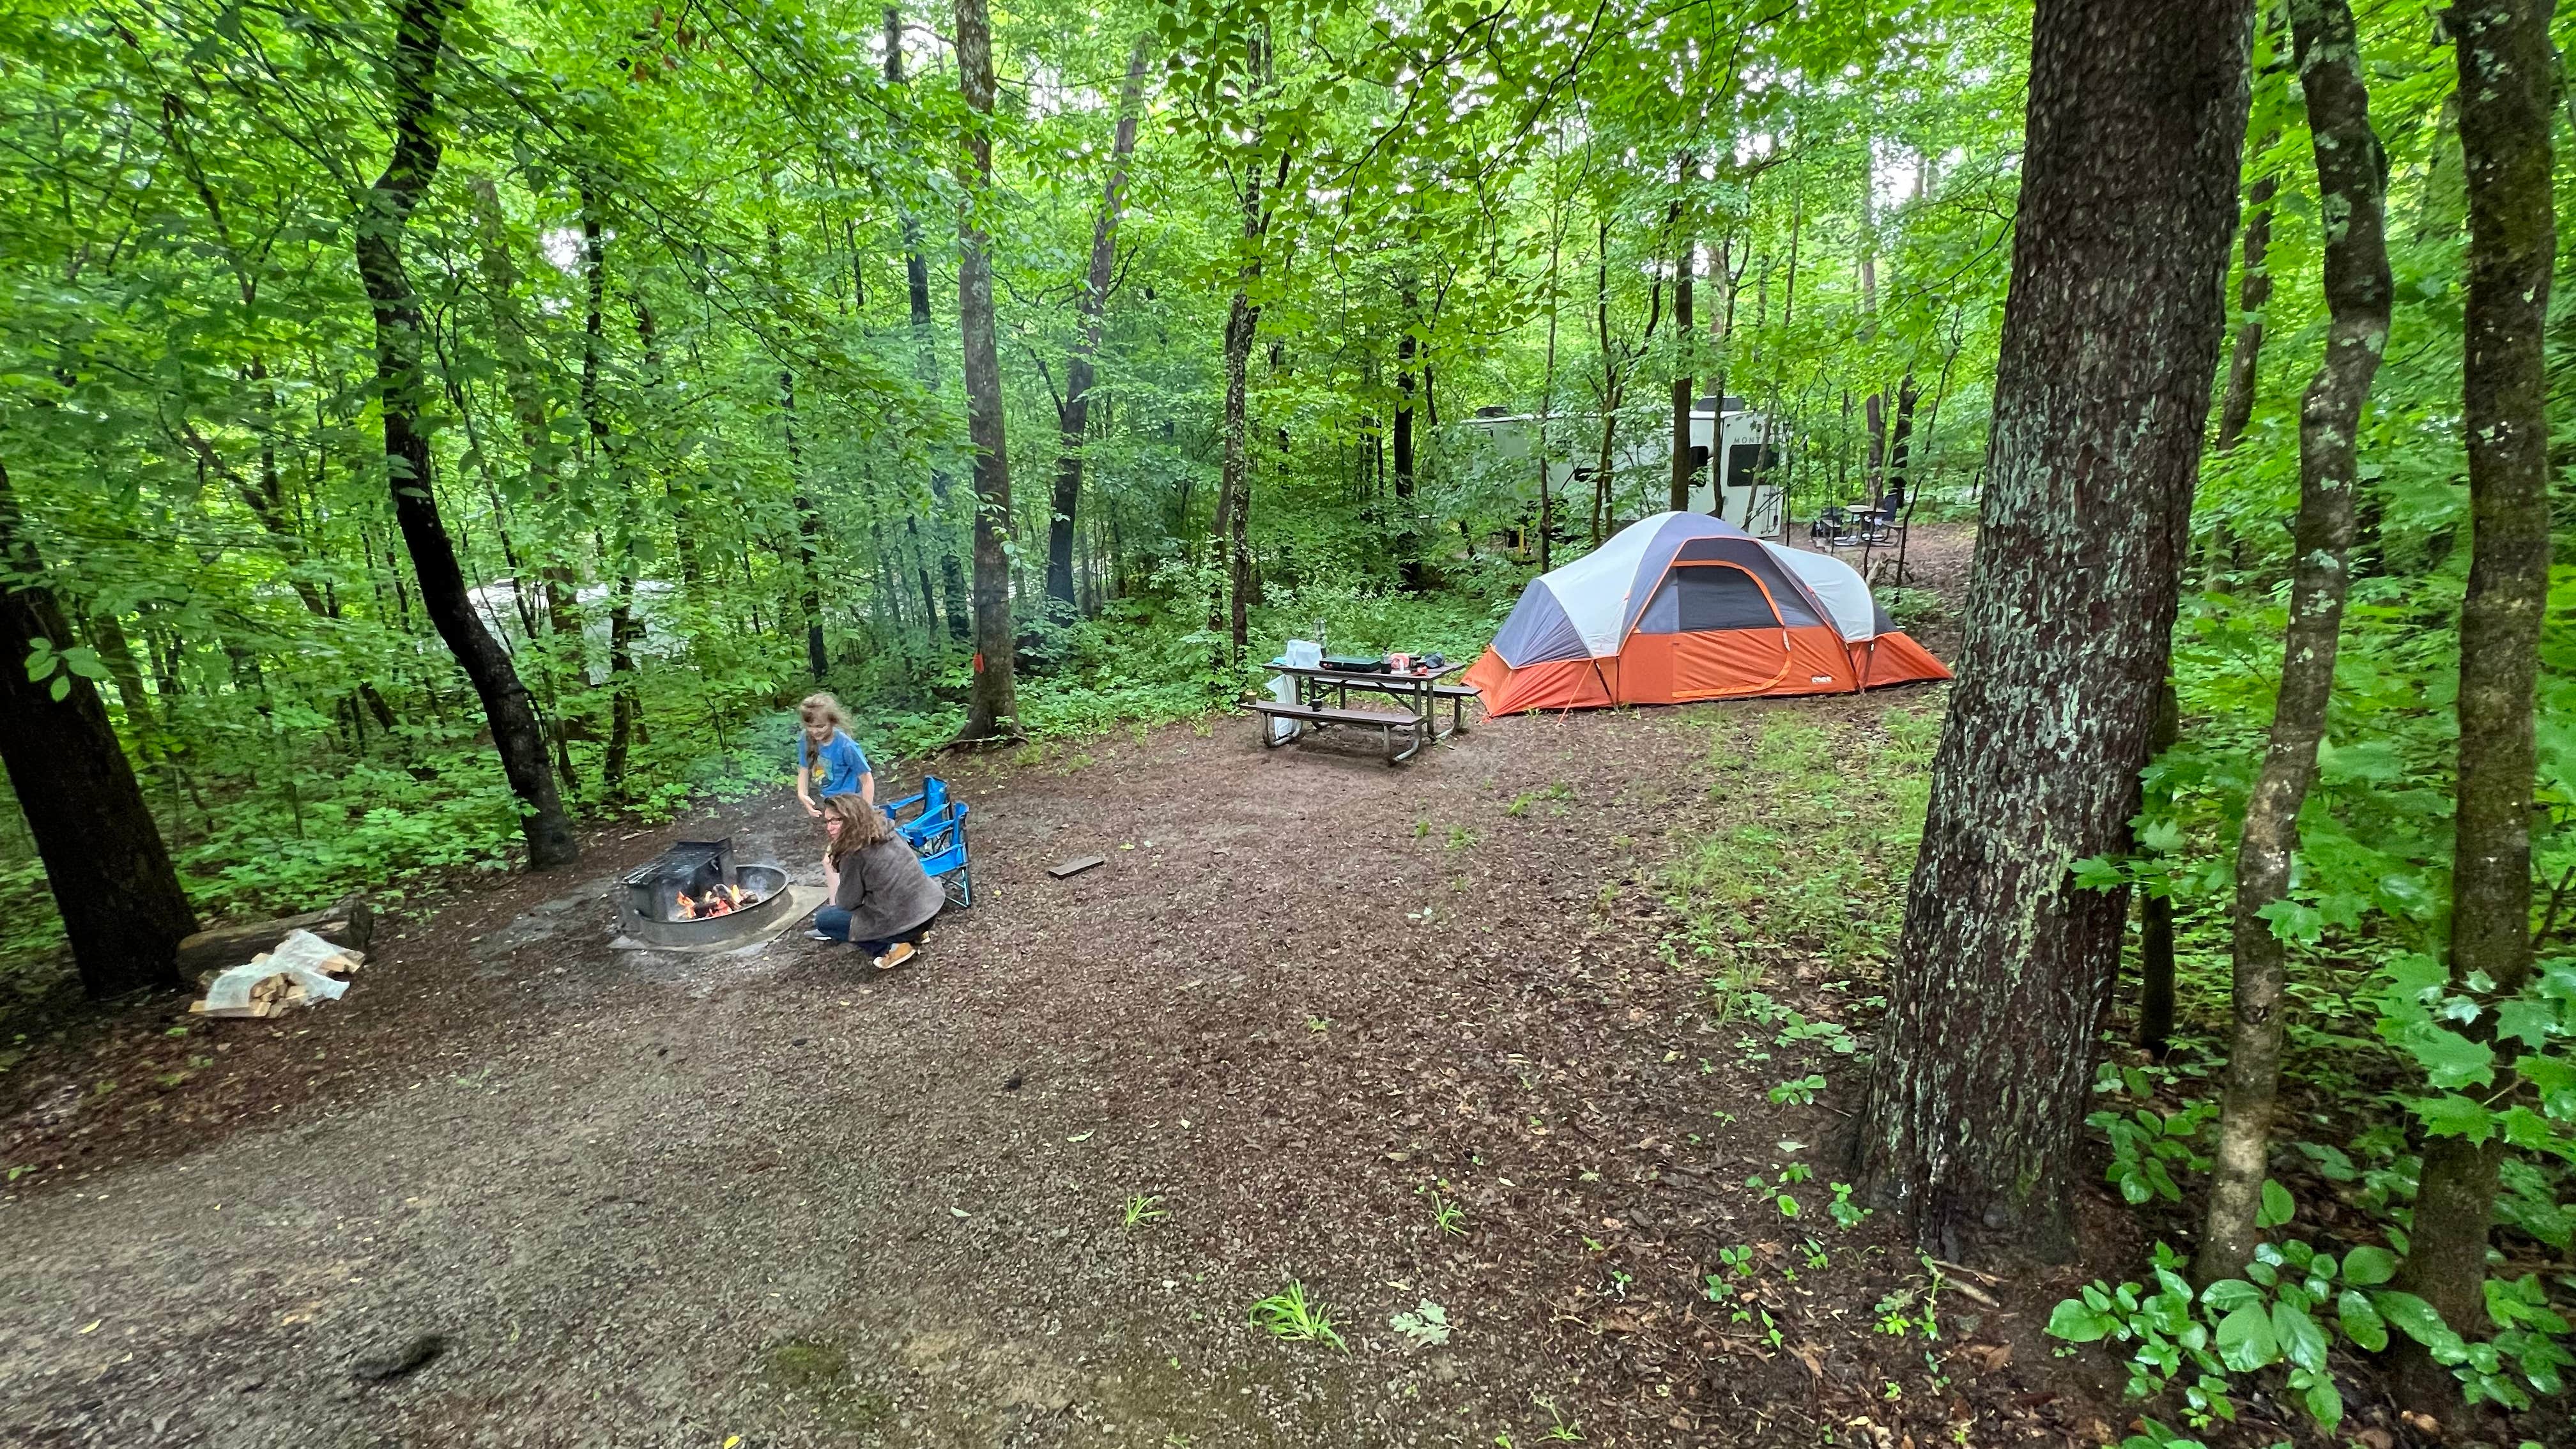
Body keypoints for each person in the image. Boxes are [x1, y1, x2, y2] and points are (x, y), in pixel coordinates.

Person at [809, 795, 942, 969]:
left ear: (852, 818)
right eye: (827, 822)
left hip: (908, 921)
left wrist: (839, 869)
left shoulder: (854, 853)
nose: (829, 827)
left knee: (825, 919)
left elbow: (847, 903)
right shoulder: (886, 830)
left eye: (835, 821)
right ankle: (917, 936)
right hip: (928, 908)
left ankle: (891, 948)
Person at [794, 693, 873, 815]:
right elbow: (804, 768)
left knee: (844, 831)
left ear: (833, 722)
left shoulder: (846, 746)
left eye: (820, 726)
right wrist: (802, 794)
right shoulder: (807, 738)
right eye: (810, 726)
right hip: (829, 798)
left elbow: (867, 780)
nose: (814, 731)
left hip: (851, 800)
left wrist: (867, 812)